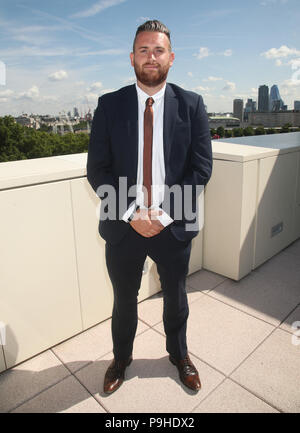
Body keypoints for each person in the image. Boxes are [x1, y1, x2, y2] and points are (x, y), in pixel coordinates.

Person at [87, 20, 212, 394]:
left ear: (171, 57)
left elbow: (201, 168)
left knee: (176, 297)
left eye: (158, 50)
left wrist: (163, 214)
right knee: (124, 299)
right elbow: (98, 169)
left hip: (171, 224)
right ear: (131, 58)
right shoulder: (109, 106)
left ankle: (179, 355)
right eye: (143, 50)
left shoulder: (192, 105)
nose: (151, 57)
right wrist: (132, 214)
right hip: (123, 224)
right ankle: (121, 358)